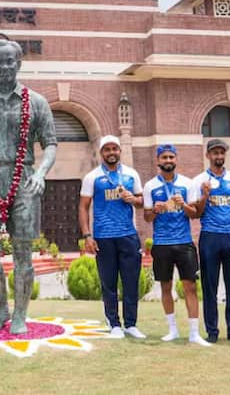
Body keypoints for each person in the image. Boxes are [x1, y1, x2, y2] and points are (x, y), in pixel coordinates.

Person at [0, 39, 57, 334]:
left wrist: (42, 172)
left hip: (24, 179)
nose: (5, 66)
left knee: (22, 253)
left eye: (10, 61)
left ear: (19, 63)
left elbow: (51, 144)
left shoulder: (37, 102)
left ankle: (20, 314)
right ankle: (0, 308)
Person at [142, 144, 210, 346]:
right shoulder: (150, 186)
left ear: (176, 160)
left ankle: (194, 333)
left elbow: (195, 214)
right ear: (158, 161)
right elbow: (146, 217)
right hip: (161, 243)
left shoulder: (187, 184)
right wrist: (155, 210)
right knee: (166, 286)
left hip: (184, 242)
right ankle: (172, 330)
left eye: (171, 157)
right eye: (164, 157)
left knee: (190, 286)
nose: (168, 161)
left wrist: (183, 205)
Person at [79, 135, 145, 339]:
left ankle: (131, 324)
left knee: (131, 281)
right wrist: (87, 235)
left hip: (128, 235)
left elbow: (142, 201)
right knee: (109, 282)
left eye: (114, 149)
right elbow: (83, 206)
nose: (111, 153)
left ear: (120, 151)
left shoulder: (131, 174)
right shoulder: (93, 177)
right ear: (101, 153)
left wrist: (133, 199)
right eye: (107, 149)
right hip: (104, 237)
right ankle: (114, 323)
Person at [192, 139, 230, 344]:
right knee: (210, 287)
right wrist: (205, 195)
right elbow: (197, 213)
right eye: (214, 153)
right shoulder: (199, 180)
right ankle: (212, 332)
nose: (218, 156)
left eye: (221, 153)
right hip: (209, 236)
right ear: (208, 155)